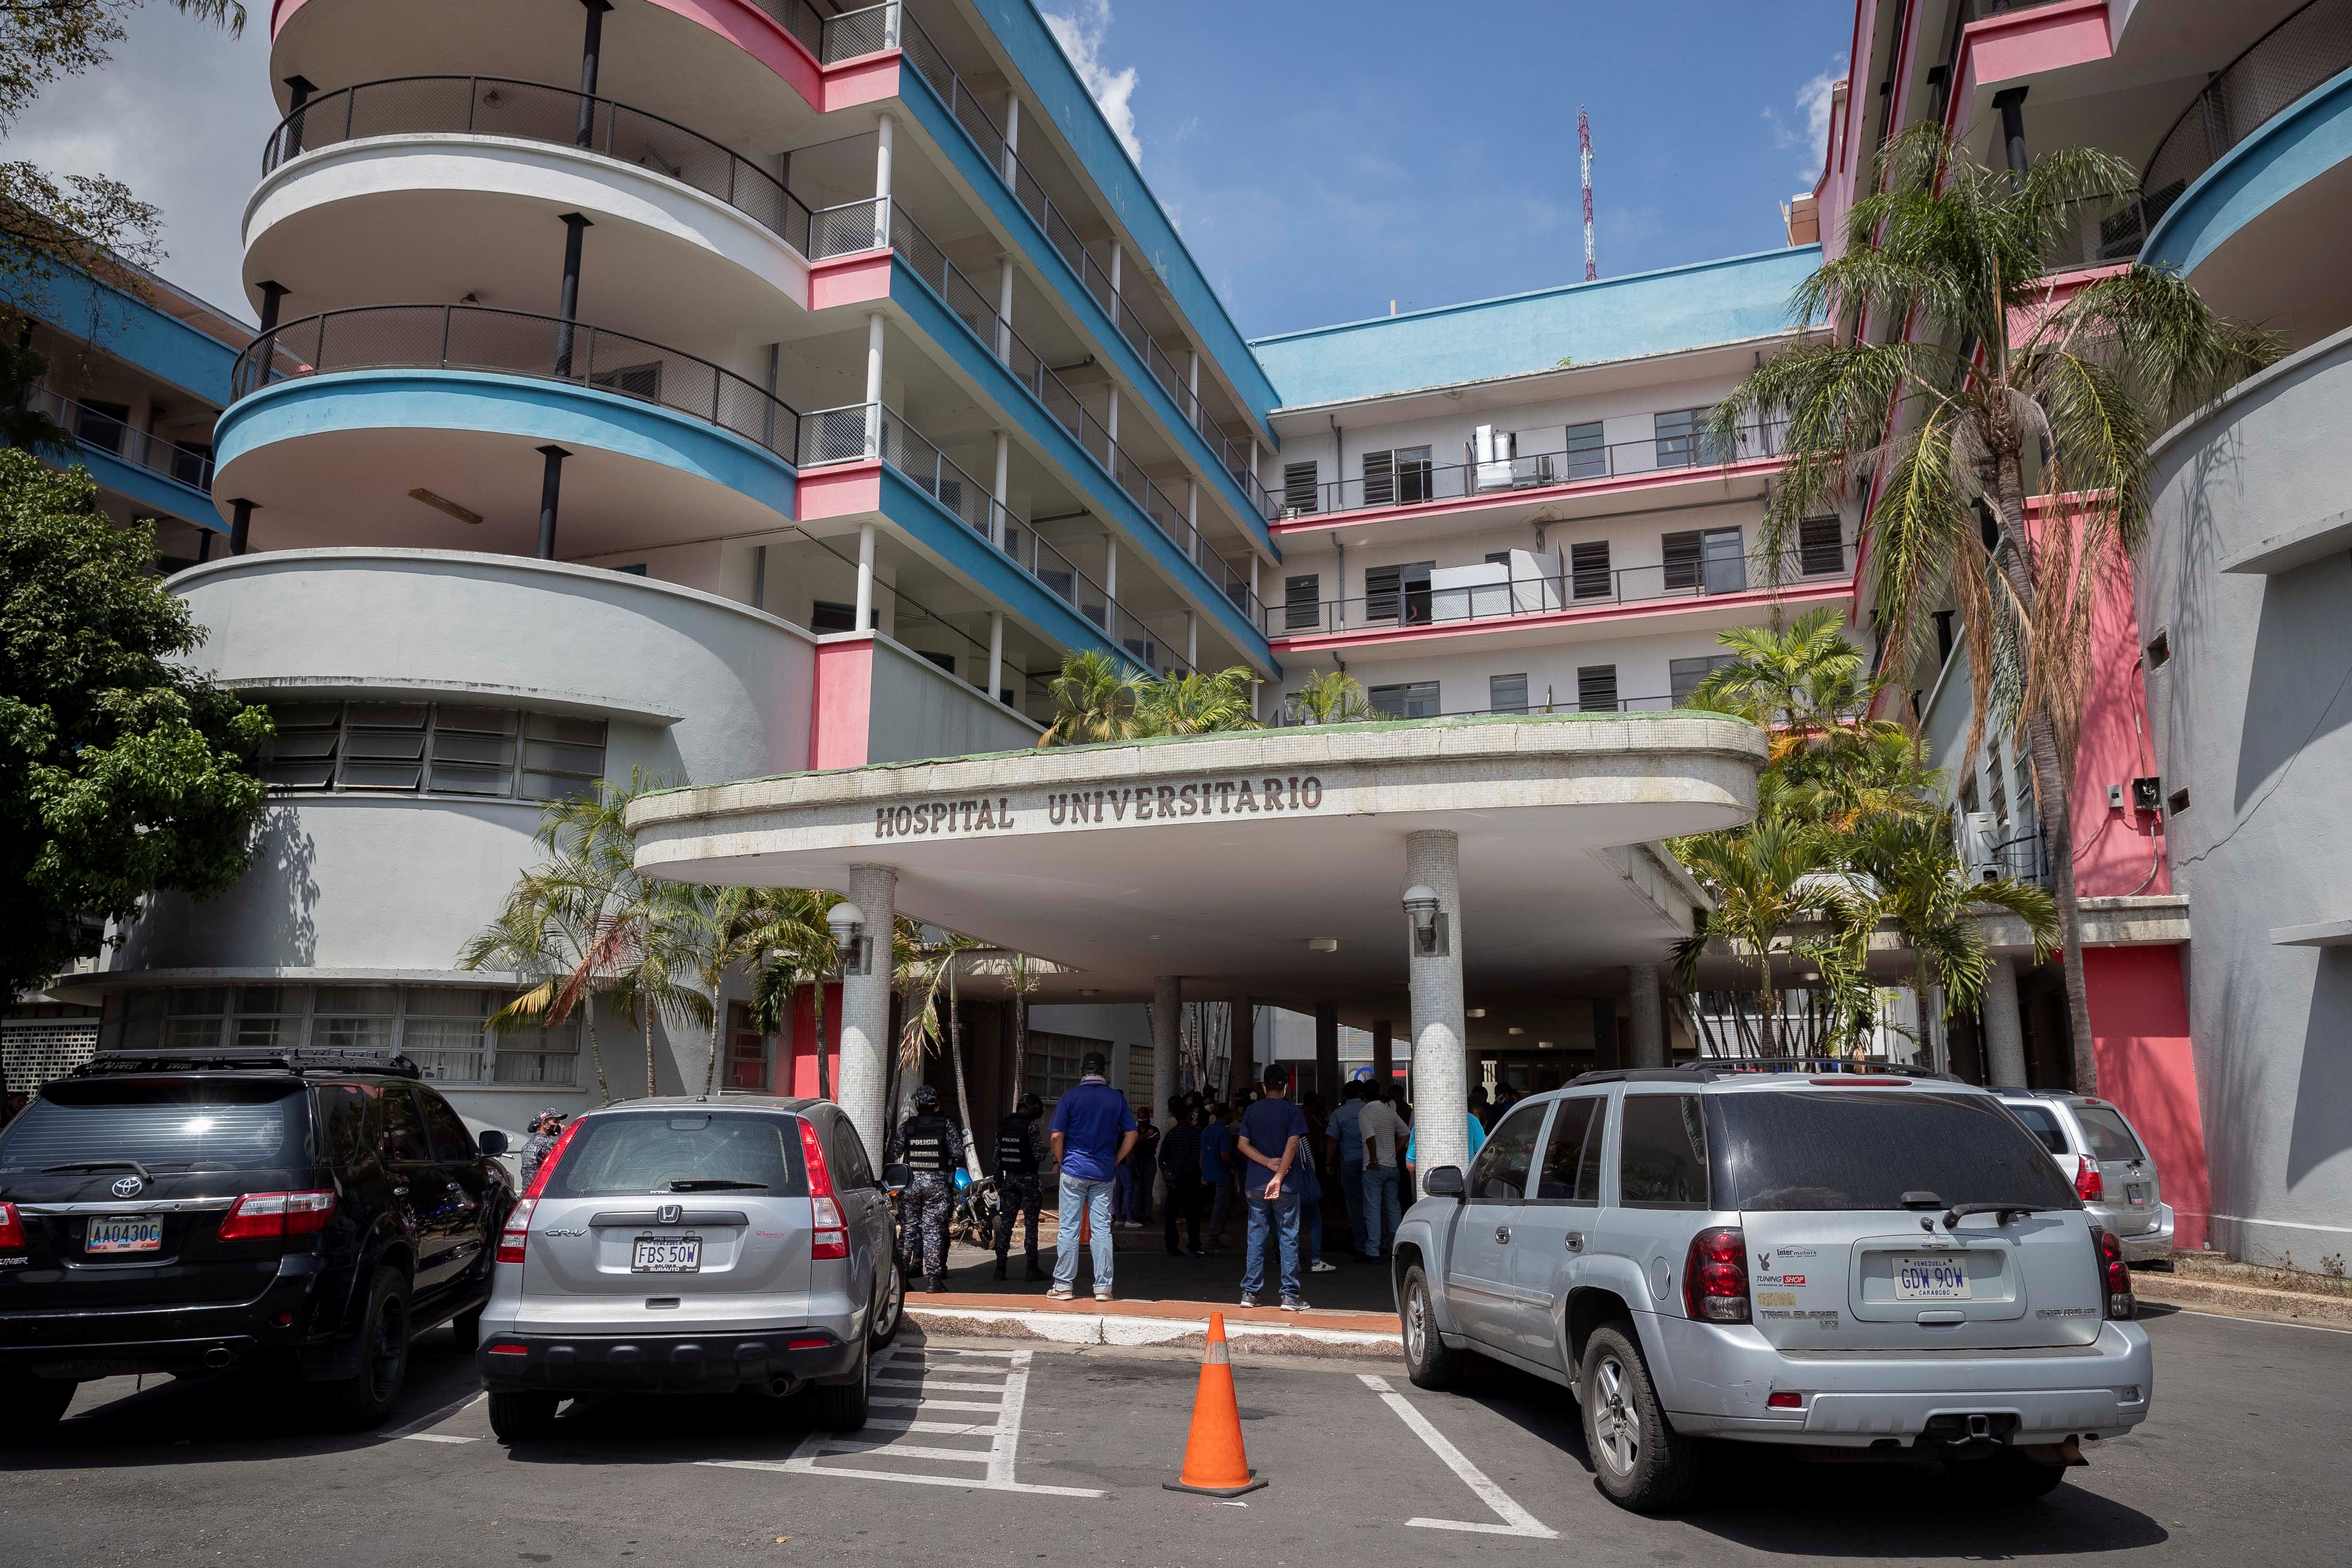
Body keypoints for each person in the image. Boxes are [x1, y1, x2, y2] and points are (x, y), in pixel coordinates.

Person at [1048, 1050, 1137, 1302]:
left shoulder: (1070, 1097)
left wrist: (1061, 1161)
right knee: (1101, 1231)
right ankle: (1103, 1288)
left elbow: (1057, 1135)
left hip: (1074, 1170)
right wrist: (1116, 1160)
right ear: (1105, 1072)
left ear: (1081, 1072)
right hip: (1104, 1173)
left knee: (1069, 1229)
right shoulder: (1116, 1099)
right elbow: (1131, 1135)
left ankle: (1064, 1286)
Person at [1234, 1064, 1311, 1311]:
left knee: (1256, 1236)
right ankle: (1290, 1295)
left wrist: (1265, 1163)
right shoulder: (1292, 1111)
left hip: (1256, 1182)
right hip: (1286, 1186)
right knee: (1288, 1236)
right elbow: (1291, 1148)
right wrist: (1278, 1176)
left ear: (1264, 1087)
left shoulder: (1253, 1111)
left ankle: (1250, 1293)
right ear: (1286, 1088)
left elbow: (1242, 1145)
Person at [890, 1084, 966, 1294]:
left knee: (908, 1232)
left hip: (911, 1185)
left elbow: (895, 1150)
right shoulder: (947, 1125)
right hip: (937, 1188)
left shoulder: (908, 1126)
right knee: (933, 1232)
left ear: (917, 1104)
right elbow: (958, 1153)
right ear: (935, 1106)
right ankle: (934, 1281)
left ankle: (902, 1279)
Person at [991, 1092, 1049, 1282]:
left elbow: (997, 1157)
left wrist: (999, 1182)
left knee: (1007, 1223)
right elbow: (1038, 1155)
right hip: (1028, 1179)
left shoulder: (1004, 1126)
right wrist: (1046, 1152)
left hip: (1009, 1180)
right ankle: (1032, 1268)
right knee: (1031, 1225)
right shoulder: (1030, 1127)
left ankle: (1000, 1267)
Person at [1356, 1084, 1407, 1262]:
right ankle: (1397, 1246)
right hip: (1392, 1167)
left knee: (1373, 1209)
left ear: (1363, 1095)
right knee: (1393, 1207)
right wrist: (1395, 1151)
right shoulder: (1390, 1111)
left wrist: (1374, 1160)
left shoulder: (1365, 1113)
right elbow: (1405, 1133)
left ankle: (1373, 1250)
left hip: (1374, 1169)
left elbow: (1370, 1137)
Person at [1158, 1103, 1206, 1256]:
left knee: (1171, 1215)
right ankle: (1194, 1246)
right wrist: (1184, 1173)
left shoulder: (1170, 1135)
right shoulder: (1193, 1134)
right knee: (1192, 1215)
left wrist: (1169, 1174)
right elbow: (1195, 1157)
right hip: (1189, 1180)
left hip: (1173, 1182)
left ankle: (1171, 1246)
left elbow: (1162, 1157)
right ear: (1188, 1117)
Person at [1328, 1082, 1367, 1255]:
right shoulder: (1371, 1110)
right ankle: (1378, 1242)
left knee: (1354, 1204)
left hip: (1350, 1162)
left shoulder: (1339, 1113)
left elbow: (1333, 1140)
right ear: (1362, 1094)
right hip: (1372, 1163)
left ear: (1344, 1095)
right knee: (1374, 1203)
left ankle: (1360, 1244)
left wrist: (1328, 1163)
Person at [1198, 1102, 1235, 1251]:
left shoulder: (1206, 1131)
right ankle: (1212, 1239)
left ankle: (1214, 1237)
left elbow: (1201, 1157)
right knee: (1220, 1208)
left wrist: (1203, 1173)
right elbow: (1225, 1154)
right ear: (1226, 1115)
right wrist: (1232, 1166)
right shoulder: (1224, 1132)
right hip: (1221, 1175)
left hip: (1208, 1174)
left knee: (1211, 1207)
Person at [1126, 1107, 1160, 1228]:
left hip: (1149, 1159)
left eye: (1144, 1117)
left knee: (1148, 1189)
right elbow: (1134, 1142)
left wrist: (1143, 1139)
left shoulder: (1155, 1129)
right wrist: (1147, 1136)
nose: (1142, 1120)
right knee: (1137, 1189)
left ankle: (1147, 1215)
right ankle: (1137, 1214)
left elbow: (1154, 1143)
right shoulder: (1135, 1130)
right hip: (1137, 1160)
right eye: (1140, 1117)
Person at [518, 1109, 565, 1186]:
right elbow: (565, 1162)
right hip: (542, 1190)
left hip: (527, 1191)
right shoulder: (547, 1144)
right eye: (555, 1122)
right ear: (544, 1124)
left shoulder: (529, 1143)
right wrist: (563, 1137)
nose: (559, 1125)